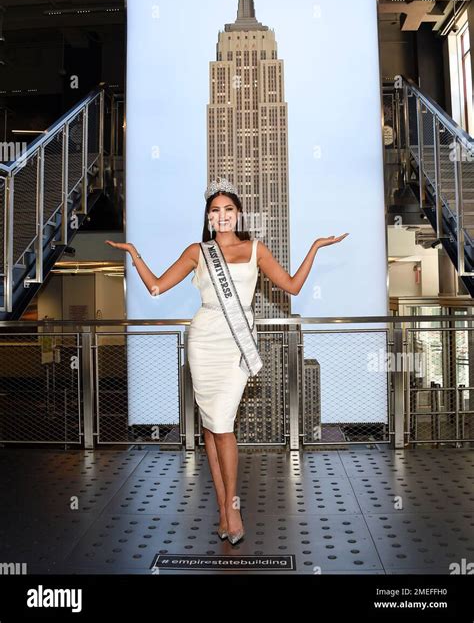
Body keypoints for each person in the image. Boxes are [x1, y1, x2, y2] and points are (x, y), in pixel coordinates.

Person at [106, 177, 349, 545]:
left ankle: (232, 506)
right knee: (212, 428)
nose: (222, 216)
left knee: (222, 424)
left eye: (228, 210)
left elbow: (294, 287)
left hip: (236, 345)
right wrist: (134, 254)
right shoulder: (196, 252)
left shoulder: (256, 250)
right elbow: (156, 287)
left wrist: (314, 246)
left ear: (238, 215)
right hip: (203, 341)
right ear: (208, 218)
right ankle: (223, 508)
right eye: (215, 211)